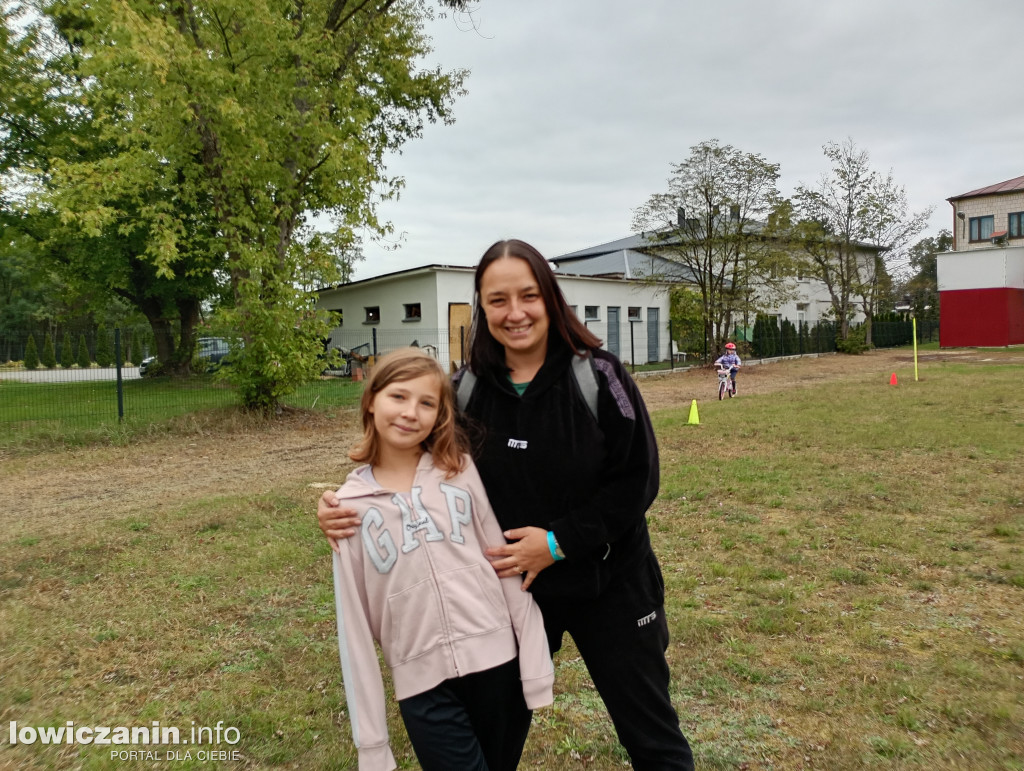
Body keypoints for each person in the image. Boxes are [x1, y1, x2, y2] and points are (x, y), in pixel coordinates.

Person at [320, 240, 694, 770]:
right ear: (481, 306)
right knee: (494, 748)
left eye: (528, 295)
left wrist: (559, 542)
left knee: (652, 737)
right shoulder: (465, 391)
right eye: (497, 300)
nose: (514, 313)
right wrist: (343, 507)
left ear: (550, 298)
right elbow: (401, 460)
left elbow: (638, 481)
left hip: (611, 586)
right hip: (516, 597)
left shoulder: (598, 375)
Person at [327, 347, 553, 771]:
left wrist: (534, 664)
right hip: (422, 686)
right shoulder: (346, 511)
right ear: (371, 399)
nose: (411, 412)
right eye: (398, 396)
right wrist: (372, 743)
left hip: (498, 666)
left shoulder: (460, 471)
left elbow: (502, 564)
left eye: (426, 402)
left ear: (440, 415)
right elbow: (353, 629)